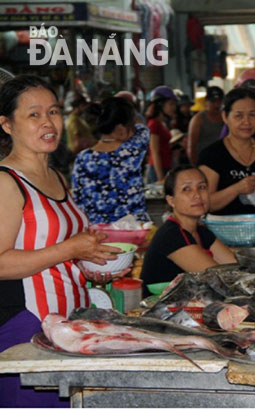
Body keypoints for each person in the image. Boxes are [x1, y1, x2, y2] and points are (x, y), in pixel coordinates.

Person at [0, 75, 124, 407]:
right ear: (7, 124)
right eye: (34, 114)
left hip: (67, 321)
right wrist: (70, 249)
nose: (48, 122)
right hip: (25, 324)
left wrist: (88, 260)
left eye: (53, 112)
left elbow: (48, 248)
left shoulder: (56, 175)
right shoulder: (6, 181)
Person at [140, 166, 236, 297]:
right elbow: (217, 281)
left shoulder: (201, 231)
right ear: (171, 200)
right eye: (186, 189)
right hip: (161, 311)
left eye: (202, 187)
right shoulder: (171, 235)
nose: (197, 195)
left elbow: (234, 267)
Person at [198, 88, 255, 215]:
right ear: (225, 117)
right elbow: (206, 203)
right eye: (239, 115)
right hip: (225, 230)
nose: (247, 122)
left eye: (252, 115)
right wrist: (237, 189)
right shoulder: (211, 155)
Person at [71, 97, 150, 224]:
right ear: (121, 129)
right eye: (131, 124)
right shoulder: (133, 150)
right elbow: (143, 128)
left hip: (98, 232)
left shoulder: (83, 158)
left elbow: (78, 200)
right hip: (134, 229)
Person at [146, 85, 177, 183]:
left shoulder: (162, 124)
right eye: (171, 104)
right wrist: (161, 178)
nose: (174, 108)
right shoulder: (154, 124)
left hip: (166, 167)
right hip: (158, 170)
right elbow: (154, 151)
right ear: (160, 105)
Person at [187, 87, 224, 166]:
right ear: (206, 102)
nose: (217, 105)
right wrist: (195, 167)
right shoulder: (198, 119)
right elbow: (191, 147)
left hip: (222, 161)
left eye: (219, 101)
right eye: (213, 102)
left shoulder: (225, 118)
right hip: (204, 162)